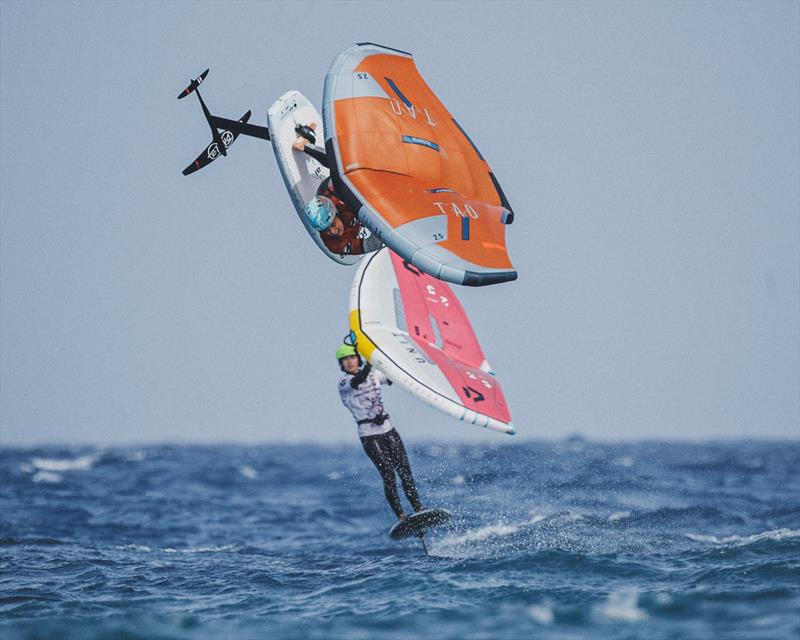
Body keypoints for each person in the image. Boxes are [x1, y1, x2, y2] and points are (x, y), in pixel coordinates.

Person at [335, 342, 424, 522]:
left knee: (405, 472)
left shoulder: (375, 375)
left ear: (357, 358)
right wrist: (370, 360)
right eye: (344, 360)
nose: (349, 362)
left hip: (388, 430)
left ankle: (419, 509)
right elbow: (358, 380)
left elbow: (394, 375)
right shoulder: (344, 383)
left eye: (352, 357)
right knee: (389, 475)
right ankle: (401, 516)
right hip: (369, 436)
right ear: (341, 364)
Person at [293, 125, 383, 257]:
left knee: (342, 163)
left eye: (332, 224)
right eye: (326, 230)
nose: (333, 232)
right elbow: (373, 244)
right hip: (365, 207)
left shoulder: (337, 195)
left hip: (346, 187)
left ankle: (303, 146)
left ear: (336, 212)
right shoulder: (334, 244)